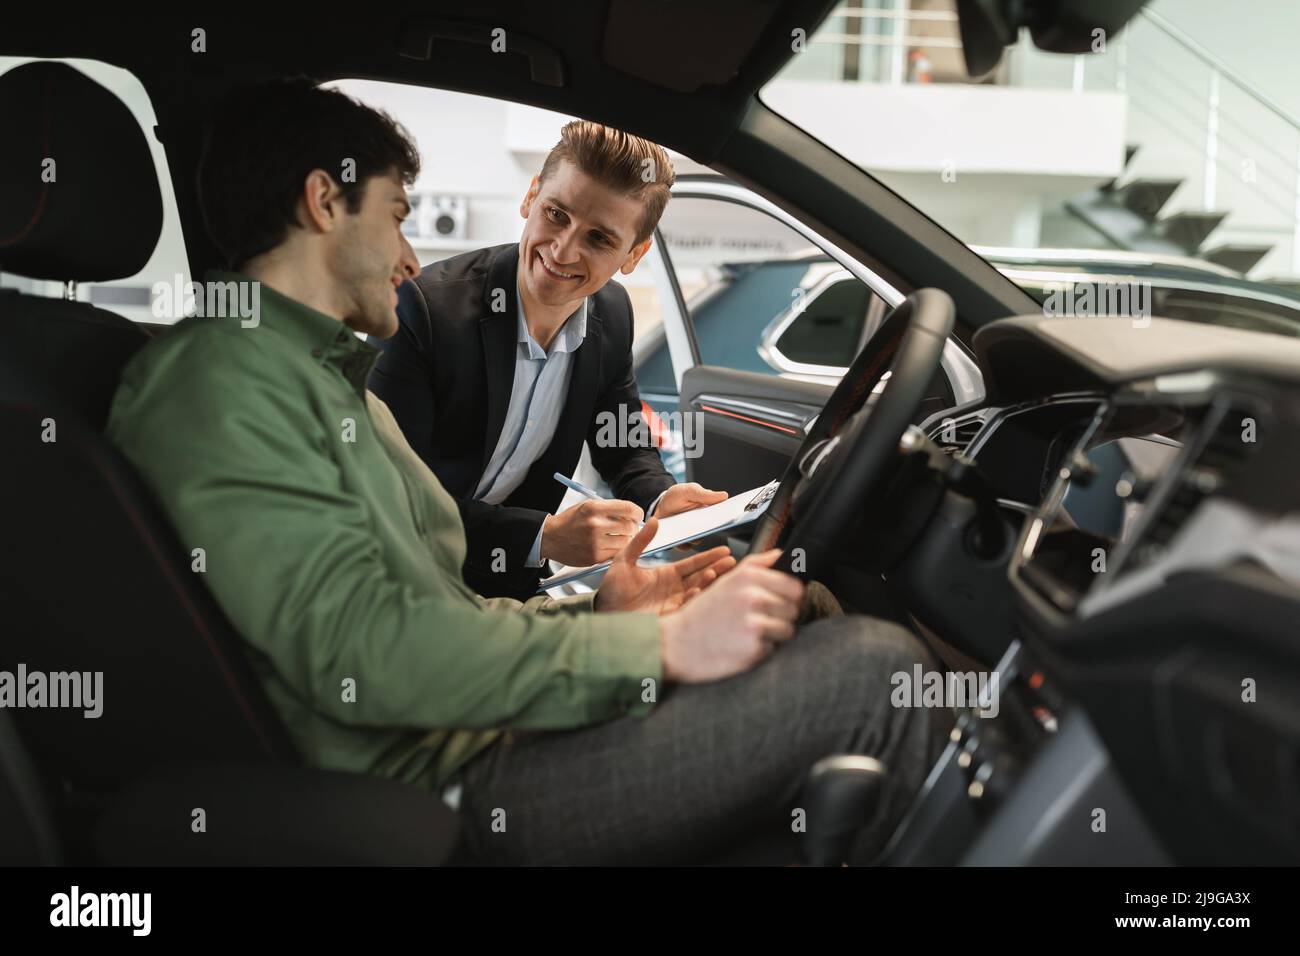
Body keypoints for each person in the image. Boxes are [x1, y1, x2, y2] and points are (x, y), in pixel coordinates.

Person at [105, 78, 949, 865]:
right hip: (445, 777)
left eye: (601, 238)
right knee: (873, 669)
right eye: (397, 216)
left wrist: (611, 619)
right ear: (325, 201)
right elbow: (367, 647)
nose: (408, 256)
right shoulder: (225, 381)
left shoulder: (329, 385)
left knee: (809, 624)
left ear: (630, 254)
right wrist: (654, 647)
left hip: (486, 717)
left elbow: (448, 606)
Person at [368, 120, 725, 599]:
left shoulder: (613, 314)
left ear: (634, 254)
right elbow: (387, 495)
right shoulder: (422, 310)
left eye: (599, 239)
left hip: (511, 583)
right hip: (401, 575)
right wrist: (546, 536)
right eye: (556, 214)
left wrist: (660, 499)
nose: (563, 249)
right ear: (530, 197)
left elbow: (621, 442)